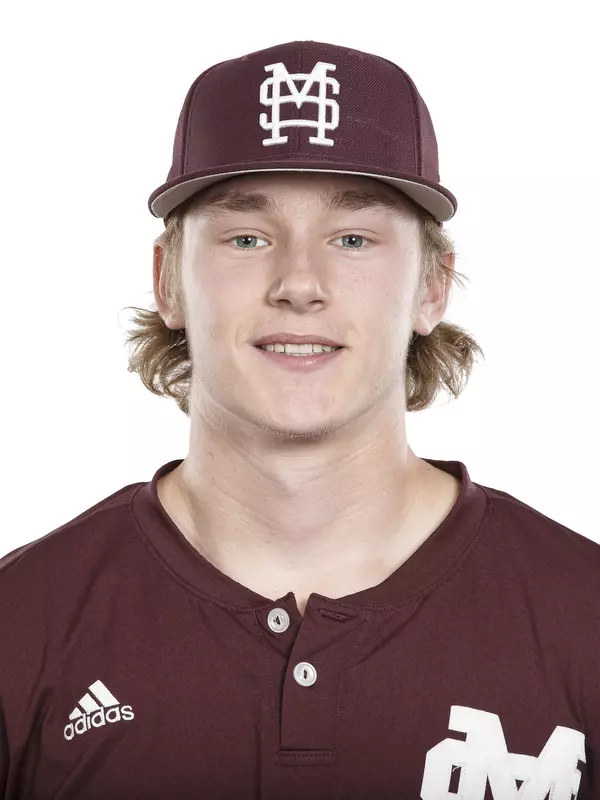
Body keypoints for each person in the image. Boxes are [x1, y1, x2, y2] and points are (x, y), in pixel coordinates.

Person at [1, 39, 598, 799]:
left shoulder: (584, 618)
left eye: (352, 239)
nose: (299, 283)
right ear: (168, 282)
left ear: (433, 287)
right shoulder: (20, 625)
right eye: (247, 238)